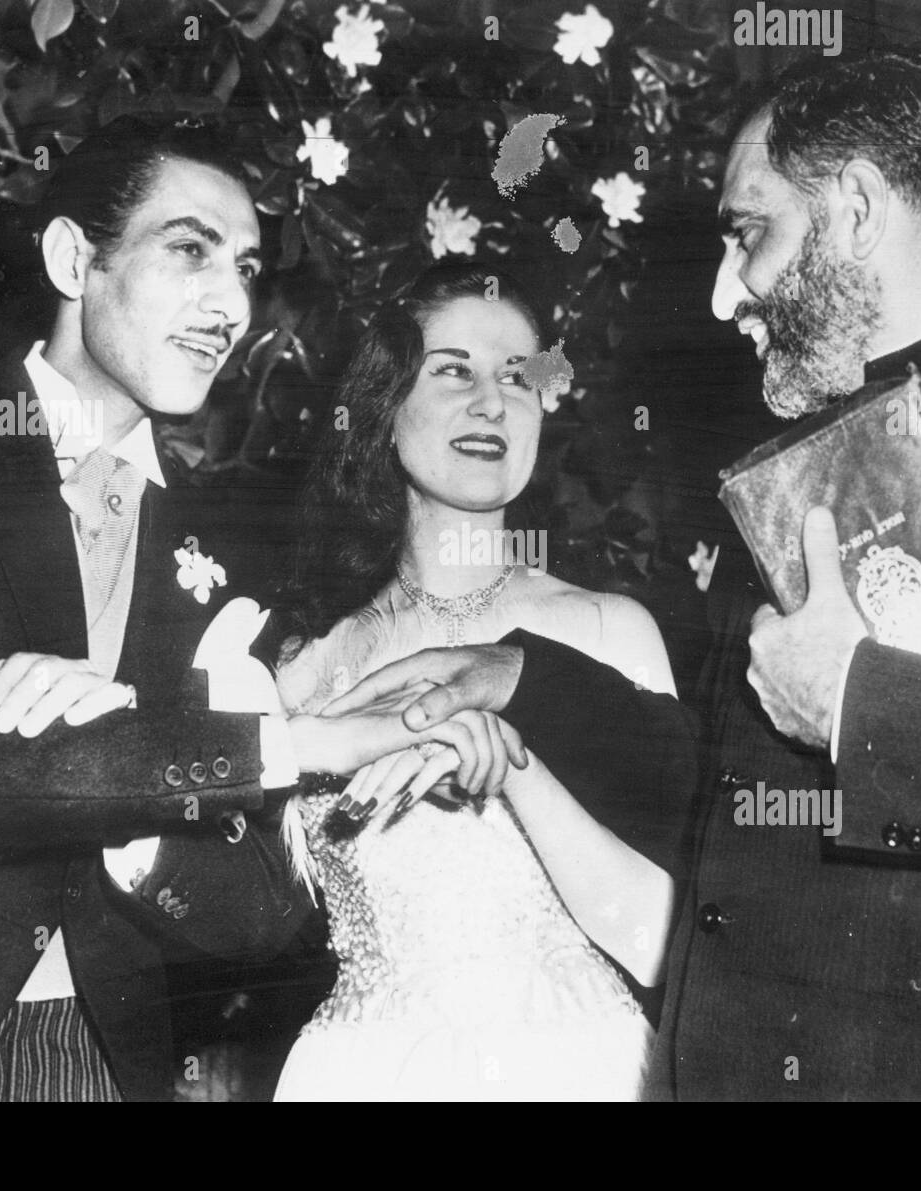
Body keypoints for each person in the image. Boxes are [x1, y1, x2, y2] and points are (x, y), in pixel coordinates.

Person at [334, 46, 921, 1100]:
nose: (725, 297)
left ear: (855, 208)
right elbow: (726, 791)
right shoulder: (789, 465)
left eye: (748, 234)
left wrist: (860, 702)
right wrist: (516, 675)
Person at [0, 115, 508, 1102]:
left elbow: (260, 917)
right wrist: (284, 740)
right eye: (189, 251)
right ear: (75, 257)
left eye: (243, 267)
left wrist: (138, 793)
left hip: (108, 1061)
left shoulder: (228, 541)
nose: (229, 302)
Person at [242, 261, 684, 1101]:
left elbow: (663, 941)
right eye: (454, 370)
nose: (493, 401)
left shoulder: (607, 631)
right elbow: (240, 921)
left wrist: (512, 766)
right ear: (384, 403)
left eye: (518, 376)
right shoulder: (302, 659)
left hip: (580, 1070)